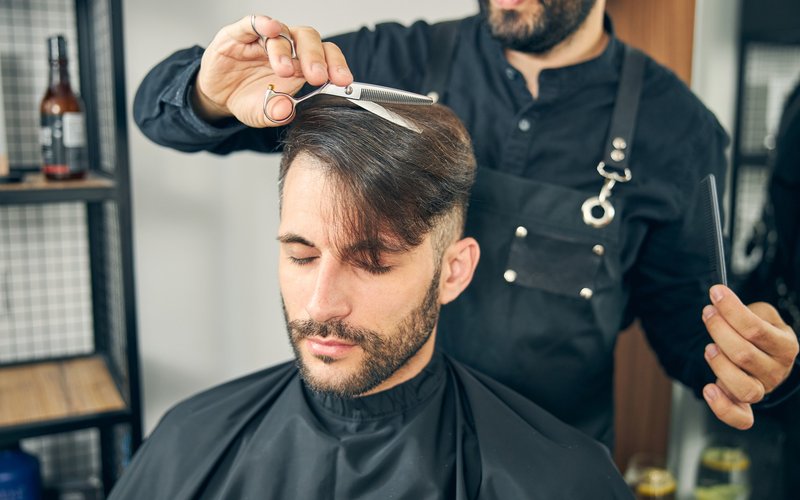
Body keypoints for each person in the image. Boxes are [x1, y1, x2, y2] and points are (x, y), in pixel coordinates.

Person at [133, 0, 800, 447]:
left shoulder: (678, 129)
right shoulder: (389, 65)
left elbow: (691, 329)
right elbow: (160, 114)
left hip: (547, 463)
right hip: (378, 453)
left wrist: (751, 365)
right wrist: (208, 95)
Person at [108, 100, 633, 499]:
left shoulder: (560, 479)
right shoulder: (188, 444)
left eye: (372, 263)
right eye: (301, 256)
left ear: (454, 272)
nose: (320, 304)